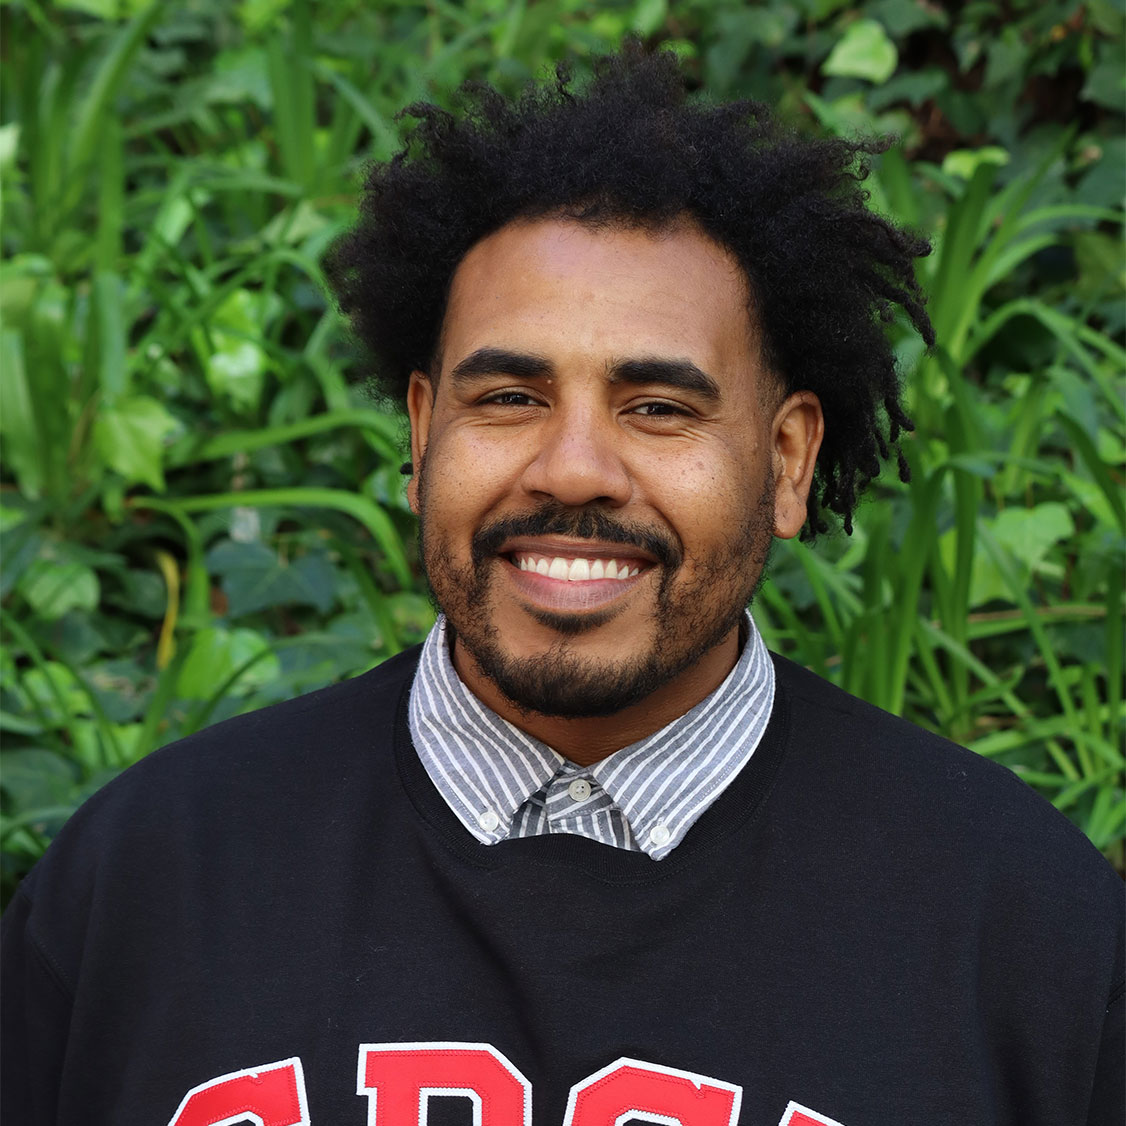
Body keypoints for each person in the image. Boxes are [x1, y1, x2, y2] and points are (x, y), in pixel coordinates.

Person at [2, 43, 1121, 1126]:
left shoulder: (1026, 932)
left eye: (657, 408)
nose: (573, 467)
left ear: (786, 461)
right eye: (508, 398)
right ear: (423, 428)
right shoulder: (147, 881)